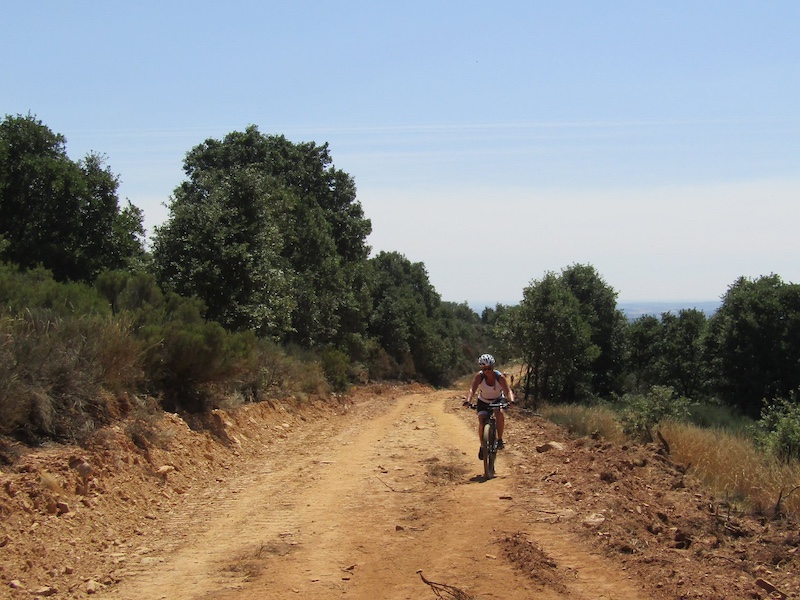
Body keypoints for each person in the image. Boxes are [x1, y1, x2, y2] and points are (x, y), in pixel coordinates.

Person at [464, 354, 515, 459]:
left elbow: (507, 390)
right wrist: (468, 400)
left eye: (489, 368)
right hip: (483, 400)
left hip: (497, 399)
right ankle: (483, 446)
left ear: (493, 367)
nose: (487, 371)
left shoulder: (499, 377)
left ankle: (500, 439)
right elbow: (472, 389)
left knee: (499, 414)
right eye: (484, 369)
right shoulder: (479, 376)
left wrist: (512, 401)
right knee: (482, 422)